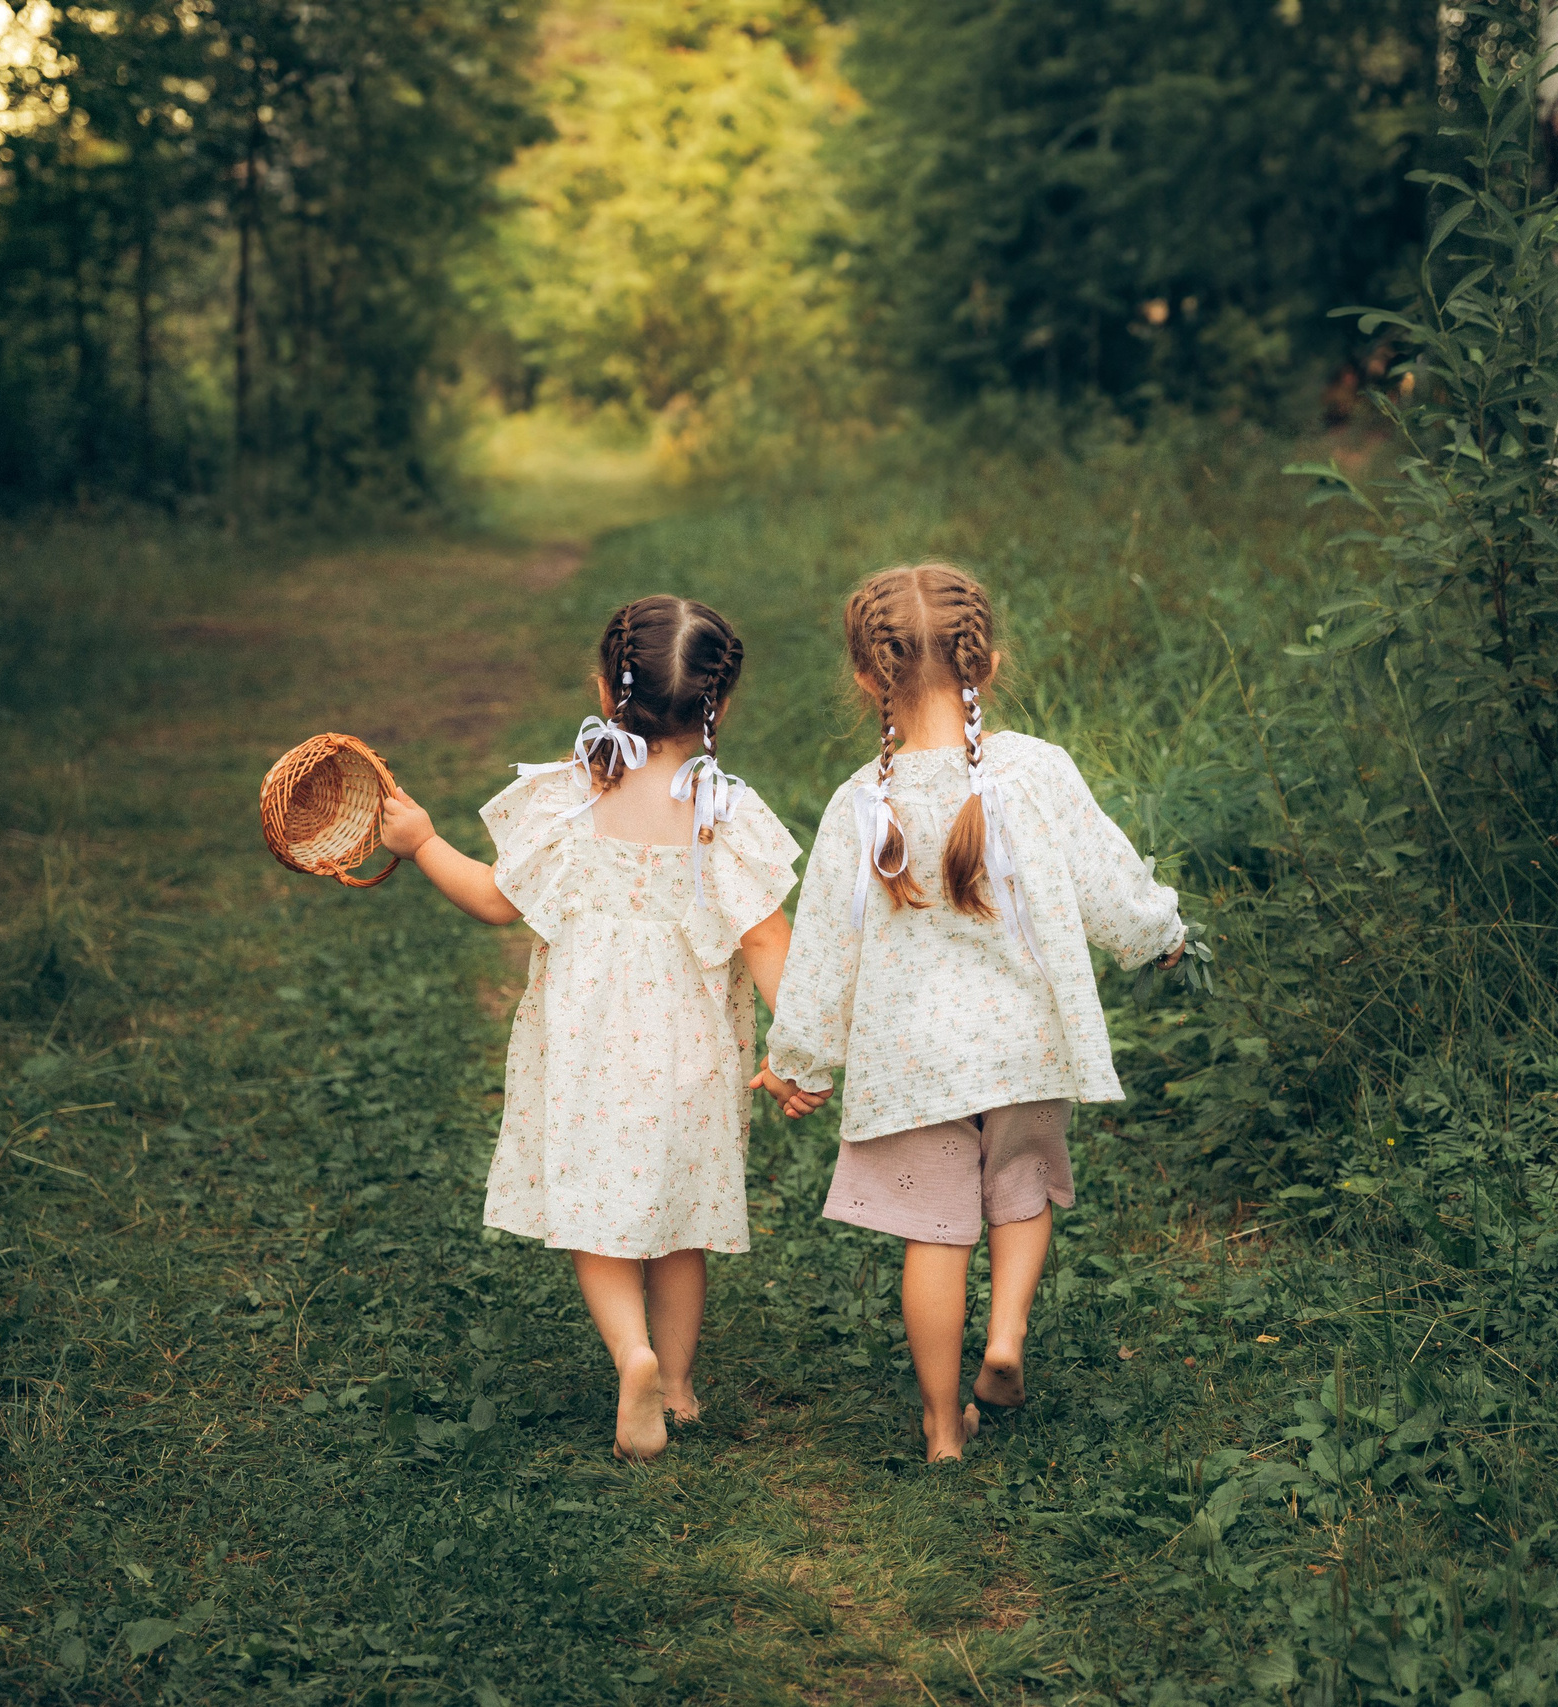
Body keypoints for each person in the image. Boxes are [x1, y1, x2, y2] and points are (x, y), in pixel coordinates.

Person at [755, 562, 1185, 1462]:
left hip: (912, 1058)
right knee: (1021, 1190)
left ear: (869, 678)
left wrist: (798, 1061)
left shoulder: (858, 804)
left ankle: (944, 1424)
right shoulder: (1035, 771)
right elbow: (1109, 876)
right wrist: (1162, 935)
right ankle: (1006, 1339)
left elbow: (827, 950)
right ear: (985, 661)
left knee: (934, 1233)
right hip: (1026, 1037)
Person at [380, 595, 798, 1462]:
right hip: (692, 1052)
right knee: (683, 1217)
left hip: (587, 1049)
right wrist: (797, 1050)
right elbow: (765, 938)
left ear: (606, 687)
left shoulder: (567, 803)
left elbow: (497, 901)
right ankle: (678, 1386)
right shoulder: (725, 814)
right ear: (719, 705)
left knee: (599, 1217)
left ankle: (631, 1354)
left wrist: (422, 841)